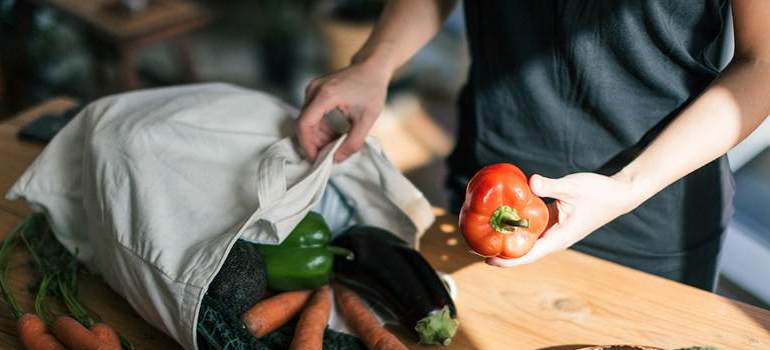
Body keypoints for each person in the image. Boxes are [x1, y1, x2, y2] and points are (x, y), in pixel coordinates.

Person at [296, 0, 770, 291]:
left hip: (653, 210)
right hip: (489, 191)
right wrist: (374, 64)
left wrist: (627, 188)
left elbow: (762, 62)